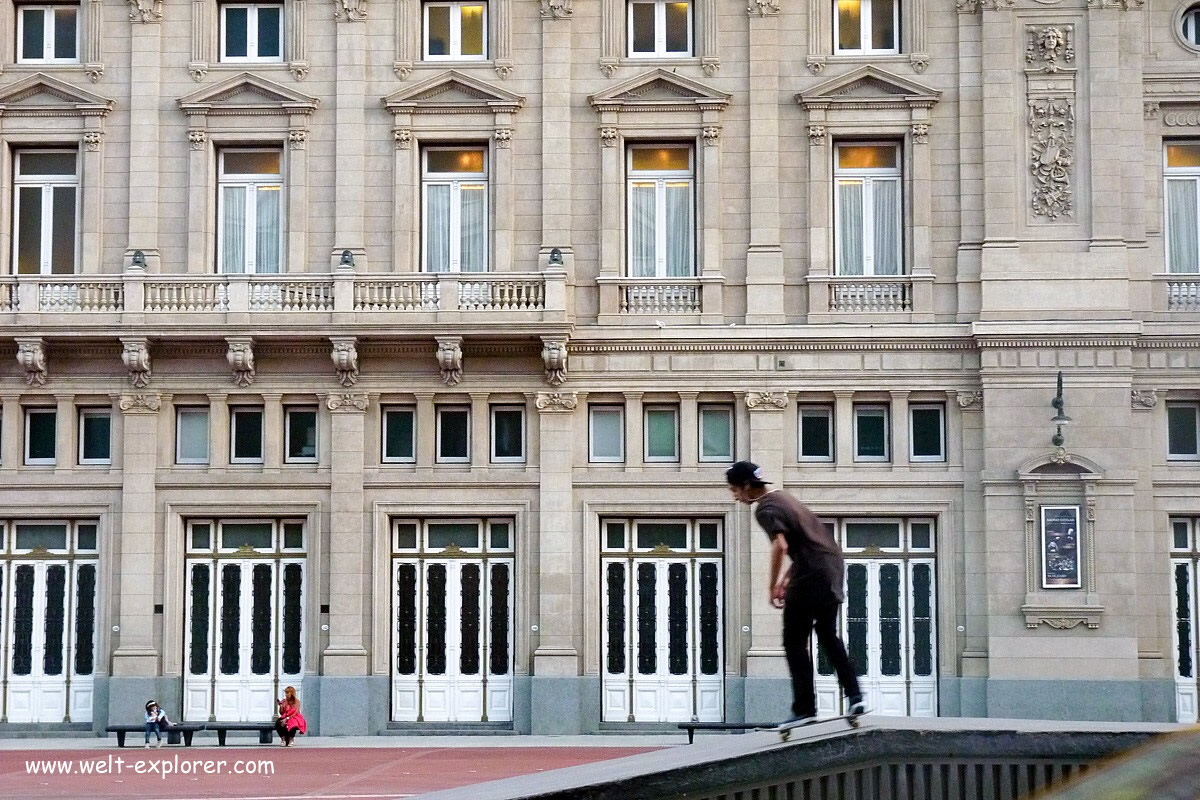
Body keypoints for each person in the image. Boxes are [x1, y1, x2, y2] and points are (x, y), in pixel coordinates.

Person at [726, 460, 867, 727]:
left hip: (811, 574)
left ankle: (805, 708)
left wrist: (771, 586)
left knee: (794, 641)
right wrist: (786, 579)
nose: (734, 496)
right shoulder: (785, 499)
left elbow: (781, 546)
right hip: (831, 568)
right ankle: (855, 695)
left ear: (746, 486)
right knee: (827, 634)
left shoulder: (765, 509)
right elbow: (807, 547)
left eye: (734, 490)